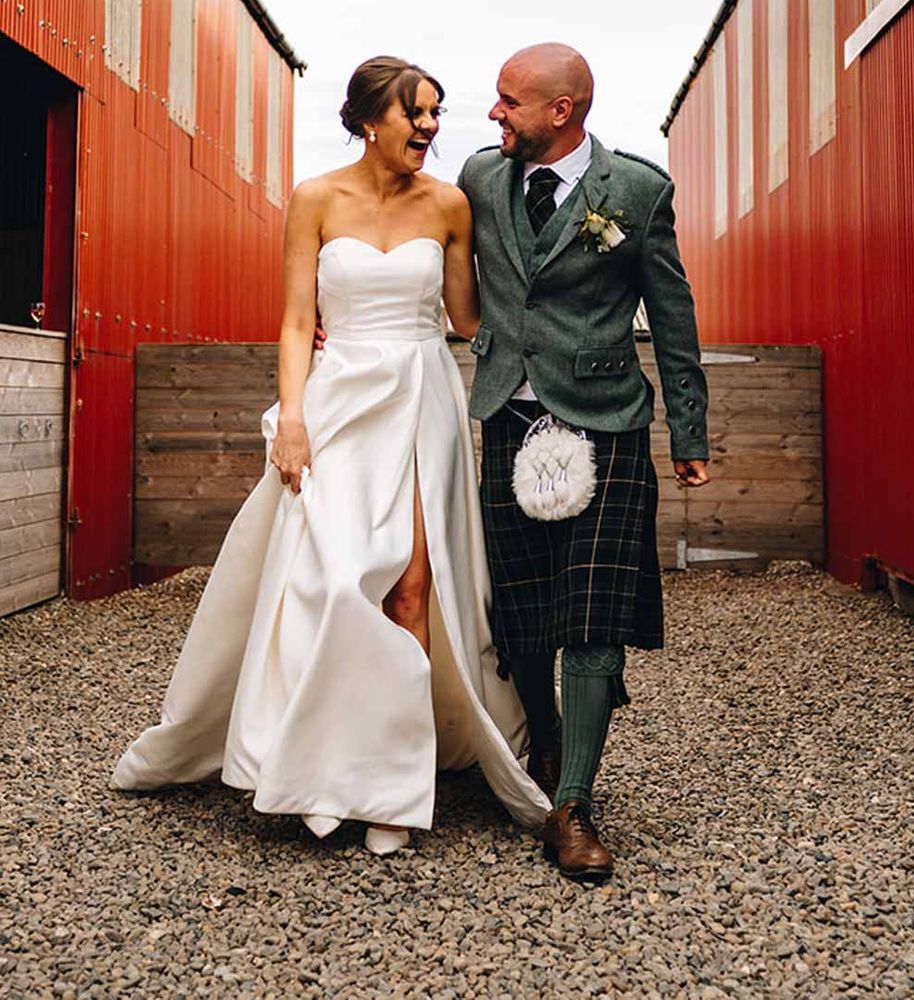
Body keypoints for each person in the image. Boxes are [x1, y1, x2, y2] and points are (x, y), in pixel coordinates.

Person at [111, 56, 549, 856]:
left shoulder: (450, 203)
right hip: (340, 399)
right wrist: (294, 418)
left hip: (422, 399)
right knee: (334, 578)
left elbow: (465, 319)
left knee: (414, 587)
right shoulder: (314, 198)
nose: (429, 127)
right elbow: (292, 320)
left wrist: (530, 266)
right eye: (416, 112)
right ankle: (325, 762)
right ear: (368, 120)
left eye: (436, 113)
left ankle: (393, 785)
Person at [458, 43, 711, 882]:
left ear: (561, 111)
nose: (494, 113)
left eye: (509, 101)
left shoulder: (638, 191)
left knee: (594, 616)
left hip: (606, 423)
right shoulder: (479, 180)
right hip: (507, 419)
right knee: (523, 616)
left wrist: (689, 433)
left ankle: (573, 804)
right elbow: (433, 263)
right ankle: (553, 738)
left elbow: (672, 317)